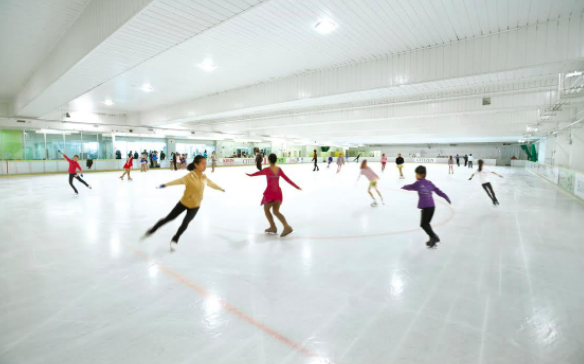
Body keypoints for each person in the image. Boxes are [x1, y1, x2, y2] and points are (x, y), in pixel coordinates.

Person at [141, 155, 225, 251]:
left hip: (195, 206)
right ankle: (152, 230)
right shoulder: (189, 177)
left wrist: (221, 189)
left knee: (185, 223)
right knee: (169, 218)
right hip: (184, 203)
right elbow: (177, 181)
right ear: (196, 165)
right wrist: (165, 185)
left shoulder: (204, 177)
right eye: (203, 164)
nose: (205, 166)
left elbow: (212, 184)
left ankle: (175, 238)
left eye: (205, 164)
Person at [246, 153, 301, 237]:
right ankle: (287, 227)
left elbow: (257, 173)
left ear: (268, 160)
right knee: (276, 211)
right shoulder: (279, 169)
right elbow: (287, 179)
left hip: (270, 193)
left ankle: (273, 226)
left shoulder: (267, 169)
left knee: (266, 209)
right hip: (278, 193)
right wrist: (296, 186)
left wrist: (249, 175)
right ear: (275, 160)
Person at [402, 165, 451, 248]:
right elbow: (438, 191)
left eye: (416, 174)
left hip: (426, 207)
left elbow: (410, 187)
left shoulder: (418, 183)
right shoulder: (429, 183)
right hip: (432, 206)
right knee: (426, 224)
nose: (415, 176)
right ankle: (432, 239)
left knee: (424, 224)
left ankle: (434, 237)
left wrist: (403, 187)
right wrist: (445, 196)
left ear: (420, 174)